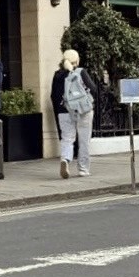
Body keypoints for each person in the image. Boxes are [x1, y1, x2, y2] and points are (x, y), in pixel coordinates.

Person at [51, 48, 97, 179]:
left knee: (67, 138)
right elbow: (93, 89)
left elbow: (53, 96)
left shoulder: (57, 75)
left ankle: (65, 159)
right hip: (83, 109)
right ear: (76, 60)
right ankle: (83, 169)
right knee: (84, 140)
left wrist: (59, 111)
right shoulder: (80, 72)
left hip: (63, 110)